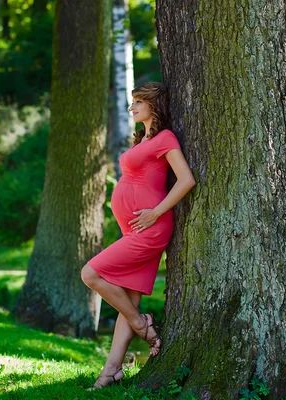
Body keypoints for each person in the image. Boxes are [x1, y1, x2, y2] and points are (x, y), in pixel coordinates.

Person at [81, 82, 196, 389]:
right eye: (132, 102)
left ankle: (141, 324)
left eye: (138, 102)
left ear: (153, 106)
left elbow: (186, 180)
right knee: (127, 300)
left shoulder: (165, 138)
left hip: (151, 227)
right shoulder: (142, 139)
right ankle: (111, 371)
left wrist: (155, 212)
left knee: (90, 274)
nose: (131, 107)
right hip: (132, 227)